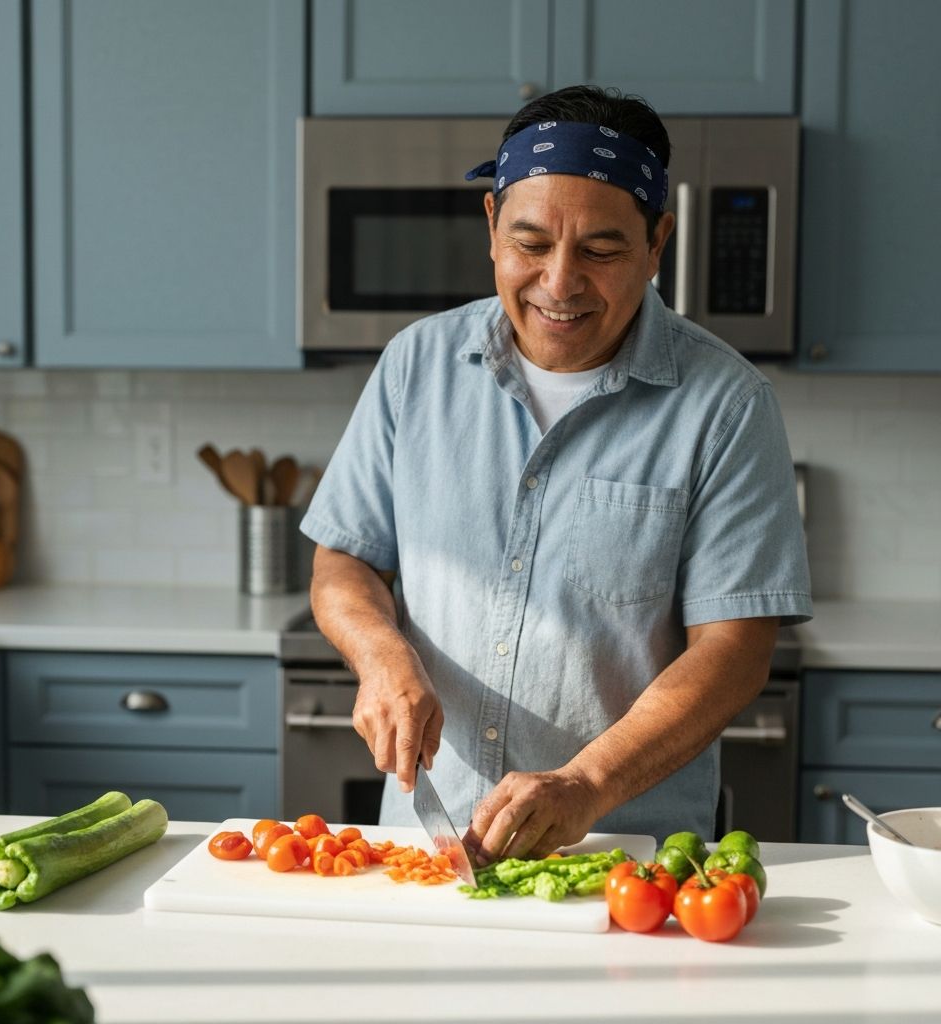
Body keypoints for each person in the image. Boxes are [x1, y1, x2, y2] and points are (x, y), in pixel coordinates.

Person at [299, 85, 812, 865]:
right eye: (531, 243)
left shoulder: (728, 406)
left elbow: (735, 648)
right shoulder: (415, 365)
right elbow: (344, 560)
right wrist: (382, 658)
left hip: (625, 857)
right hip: (427, 855)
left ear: (657, 241)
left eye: (601, 250)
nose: (560, 282)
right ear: (492, 230)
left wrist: (586, 784)